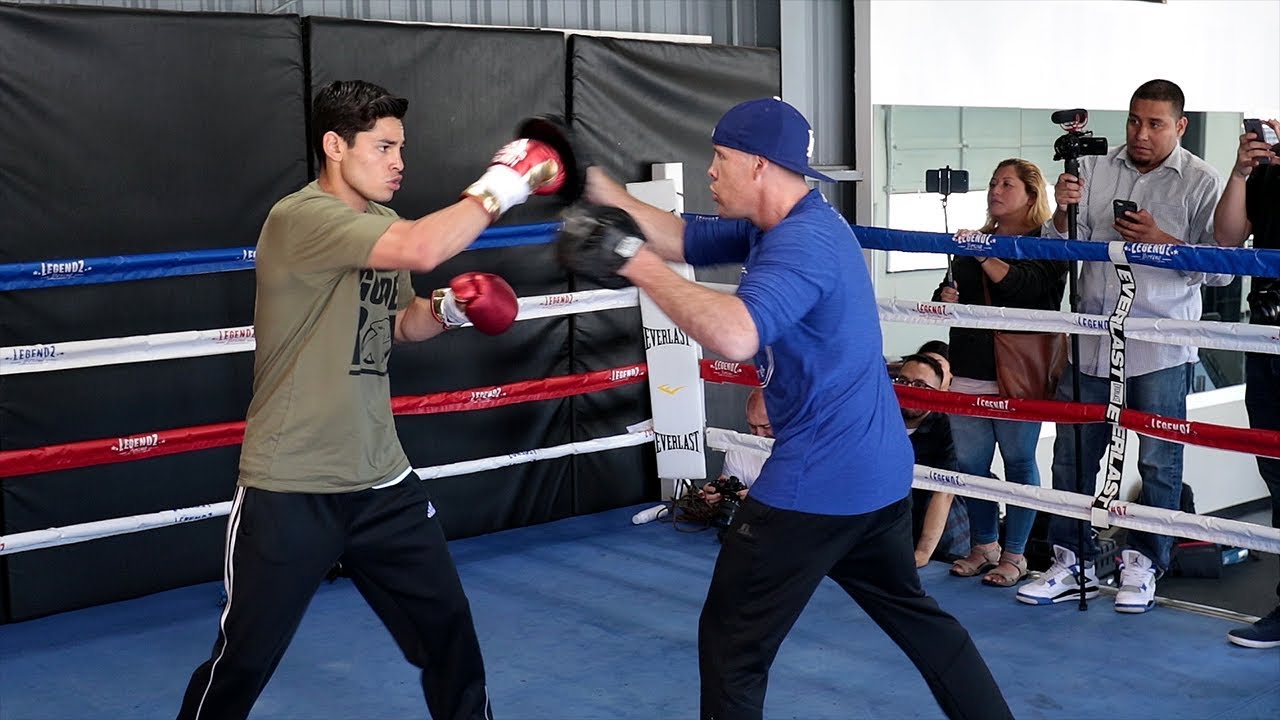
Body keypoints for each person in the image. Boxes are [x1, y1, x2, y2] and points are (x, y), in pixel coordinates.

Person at [559, 97, 1011, 720]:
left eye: (721, 157)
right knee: (919, 622)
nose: (710, 170)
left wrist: (632, 263)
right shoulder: (778, 222)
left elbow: (736, 333)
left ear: (759, 164)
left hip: (817, 482)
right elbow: (681, 235)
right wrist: (596, 185)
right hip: (876, 472)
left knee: (733, 647)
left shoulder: (801, 242)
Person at [177, 80, 571, 719]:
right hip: (293, 483)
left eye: (401, 148)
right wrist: (507, 180)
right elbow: (425, 246)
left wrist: (448, 310)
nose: (398, 162)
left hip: (382, 480)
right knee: (244, 658)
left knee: (448, 634)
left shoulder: (385, 224)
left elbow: (395, 324)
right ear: (335, 146)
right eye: (384, 147)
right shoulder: (300, 218)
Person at [1017, 80, 1227, 613]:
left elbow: (1222, 272)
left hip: (1161, 345)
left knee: (1158, 461)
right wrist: (1061, 212)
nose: (1141, 133)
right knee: (1072, 455)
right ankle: (1072, 560)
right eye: (1135, 120)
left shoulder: (1201, 180)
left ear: (1180, 126)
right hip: (1093, 337)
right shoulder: (1093, 167)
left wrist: (1163, 243)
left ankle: (1145, 563)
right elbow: (1058, 246)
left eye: (1155, 123)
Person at [934, 159, 1067, 588]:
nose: (996, 190)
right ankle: (984, 545)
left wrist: (983, 254)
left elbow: (1026, 290)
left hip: (1020, 371)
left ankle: (1016, 555)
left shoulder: (1047, 242)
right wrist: (945, 295)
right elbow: (950, 290)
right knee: (971, 464)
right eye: (993, 182)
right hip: (970, 364)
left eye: (1007, 184)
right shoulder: (973, 241)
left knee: (1019, 461)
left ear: (1031, 195)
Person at [1212, 117, 1280, 648]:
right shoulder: (1267, 172)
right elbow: (1228, 239)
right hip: (1267, 338)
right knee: (1276, 471)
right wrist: (1240, 172)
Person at [894, 354, 970, 567]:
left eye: (921, 385)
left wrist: (922, 553)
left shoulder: (950, 430)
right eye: (903, 382)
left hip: (942, 546)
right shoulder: (882, 420)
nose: (910, 390)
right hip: (890, 535)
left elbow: (944, 492)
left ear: (937, 393)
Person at [701, 388, 771, 507]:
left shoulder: (804, 451)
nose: (759, 434)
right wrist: (717, 495)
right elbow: (731, 500)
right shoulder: (739, 450)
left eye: (766, 426)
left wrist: (764, 498)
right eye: (752, 426)